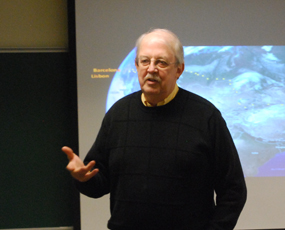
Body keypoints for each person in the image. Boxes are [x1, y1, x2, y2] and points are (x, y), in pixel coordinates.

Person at [62, 28, 247, 230]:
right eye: (144, 61)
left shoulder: (206, 117)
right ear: (136, 65)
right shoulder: (118, 115)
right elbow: (99, 183)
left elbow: (233, 190)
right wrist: (82, 179)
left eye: (161, 62)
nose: (151, 69)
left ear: (179, 69)